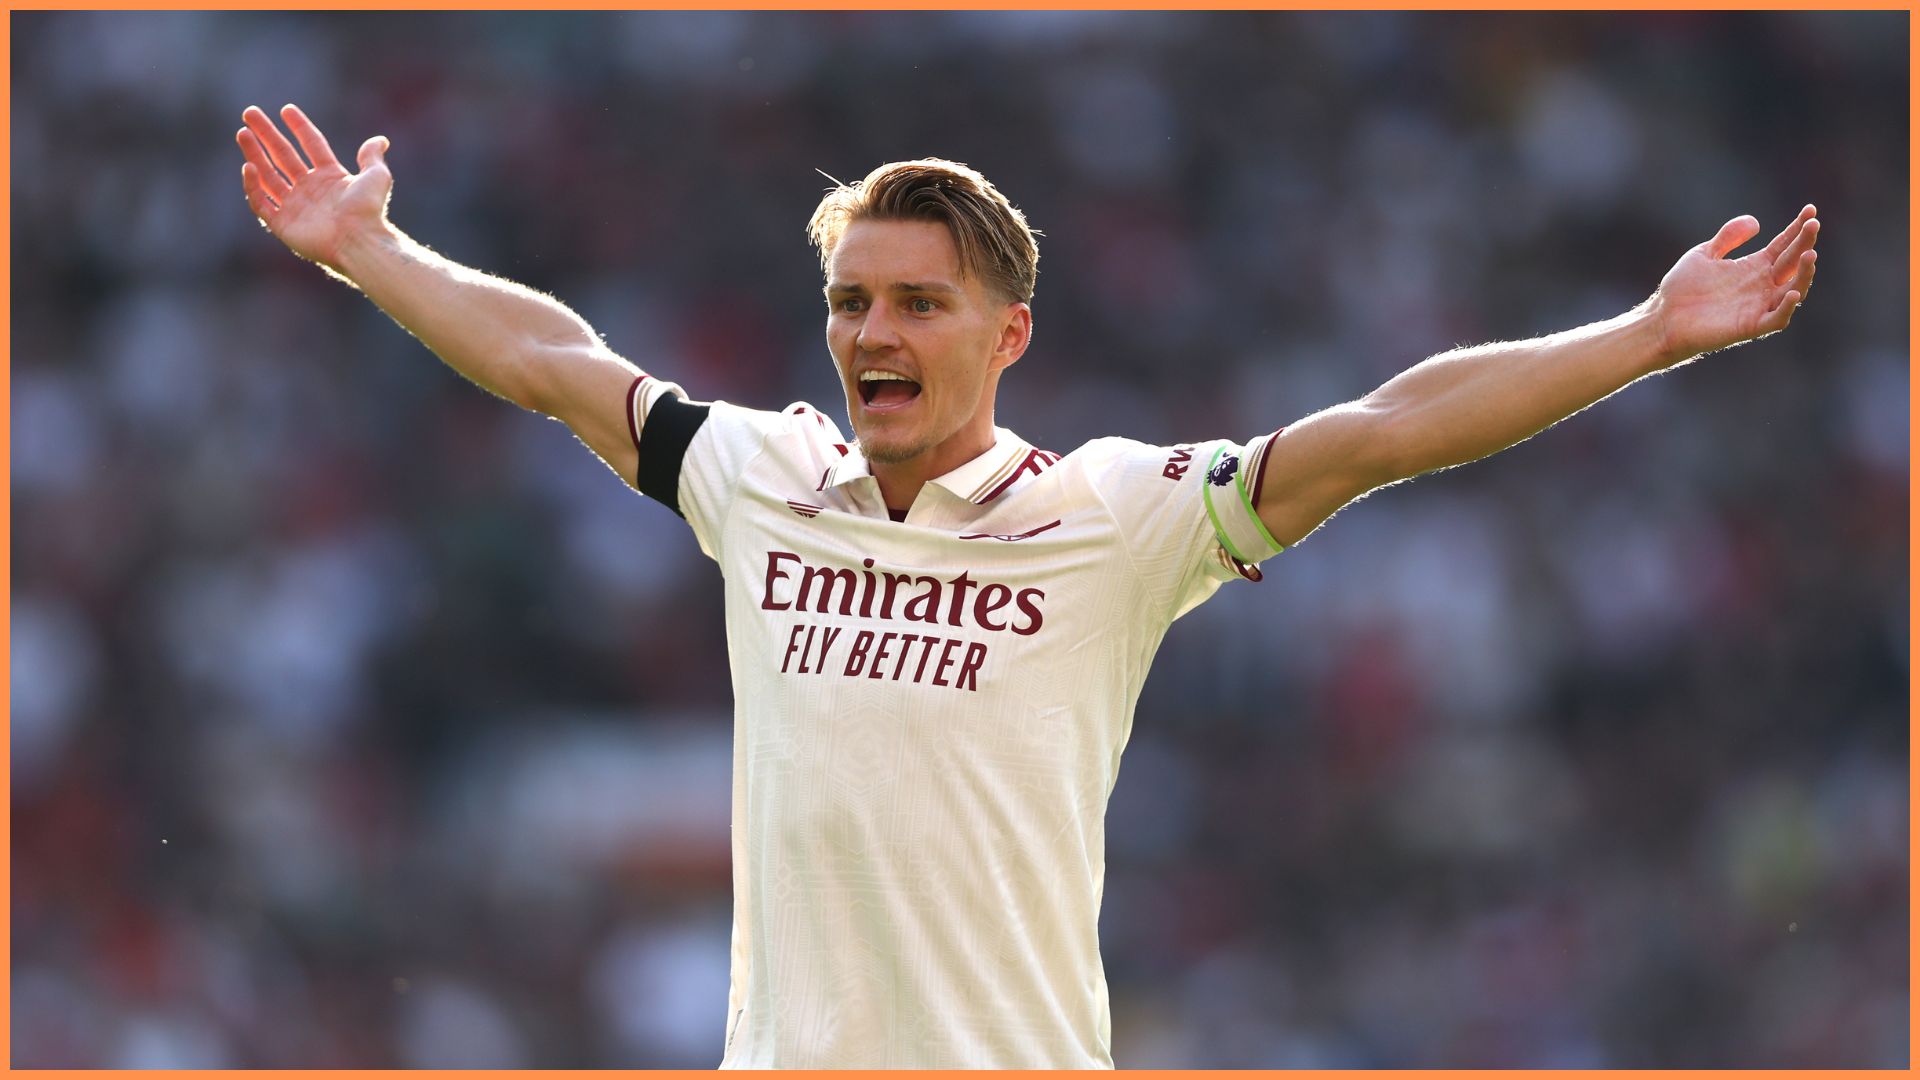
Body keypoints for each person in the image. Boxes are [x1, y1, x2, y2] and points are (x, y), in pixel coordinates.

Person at [236, 102, 1820, 1069]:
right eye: (852, 300)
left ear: (1009, 336)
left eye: (922, 303)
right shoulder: (763, 478)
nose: (873, 335)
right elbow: (556, 366)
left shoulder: (1115, 513)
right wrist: (369, 251)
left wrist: (1646, 334)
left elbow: (1384, 432)